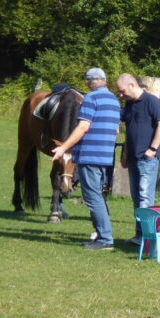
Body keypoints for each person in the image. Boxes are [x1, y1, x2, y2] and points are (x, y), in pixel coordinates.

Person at [52, 68, 121, 250]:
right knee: (98, 195)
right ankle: (101, 235)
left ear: (89, 82)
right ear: (105, 80)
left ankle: (105, 239)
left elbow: (83, 126)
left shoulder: (90, 98)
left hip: (90, 155)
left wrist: (63, 148)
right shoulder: (114, 100)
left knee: (92, 198)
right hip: (105, 156)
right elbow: (116, 130)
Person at [116, 73, 160, 243]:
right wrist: (124, 154)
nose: (121, 95)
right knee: (136, 199)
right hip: (132, 157)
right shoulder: (129, 104)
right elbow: (129, 131)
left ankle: (148, 237)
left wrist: (153, 148)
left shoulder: (152, 101)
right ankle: (140, 235)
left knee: (145, 197)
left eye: (122, 91)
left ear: (132, 85)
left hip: (147, 159)